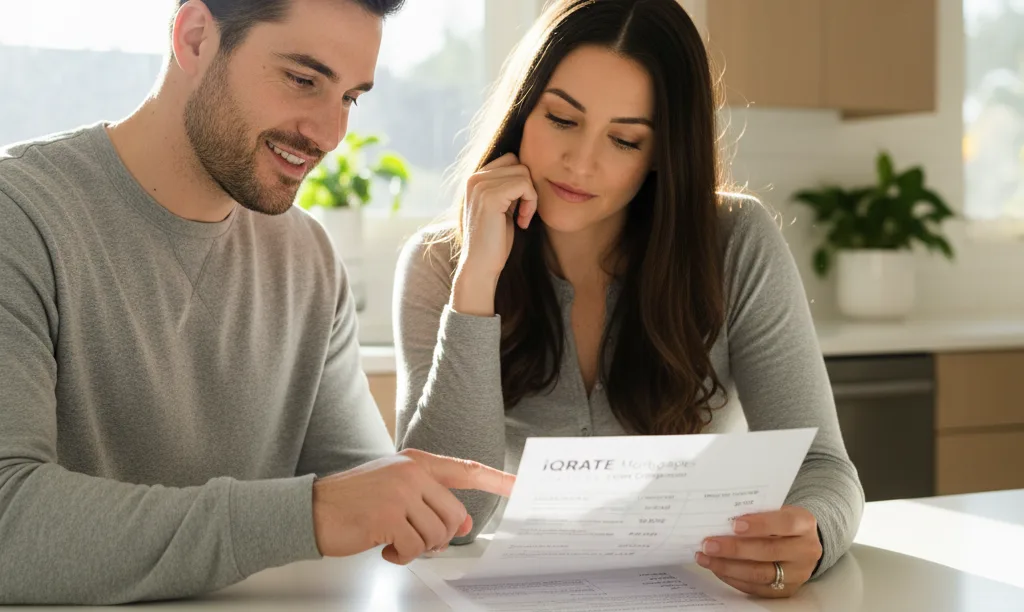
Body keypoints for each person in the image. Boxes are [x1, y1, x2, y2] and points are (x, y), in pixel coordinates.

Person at [0, 0, 514, 605]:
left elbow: (403, 514)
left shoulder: (306, 258)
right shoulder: (21, 217)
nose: (329, 134)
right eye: (303, 80)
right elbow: (11, 521)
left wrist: (477, 278)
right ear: (195, 39)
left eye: (349, 98)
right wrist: (307, 515)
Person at [394, 0, 864, 599]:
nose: (580, 162)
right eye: (562, 120)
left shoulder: (735, 242)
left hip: (693, 591)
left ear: (663, 155)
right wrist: (478, 283)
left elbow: (825, 470)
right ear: (521, 115)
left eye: (623, 139)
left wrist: (812, 536)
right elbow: (448, 520)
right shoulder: (441, 265)